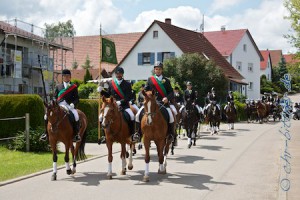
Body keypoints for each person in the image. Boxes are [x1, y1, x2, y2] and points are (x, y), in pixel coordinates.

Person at [135, 61, 176, 142]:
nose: (158, 70)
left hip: (163, 103)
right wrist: (147, 96)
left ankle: (171, 135)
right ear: (154, 70)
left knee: (171, 116)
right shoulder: (150, 79)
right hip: (151, 103)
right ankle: (138, 134)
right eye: (156, 69)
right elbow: (145, 91)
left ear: (162, 70)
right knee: (137, 115)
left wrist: (167, 98)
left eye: (159, 69)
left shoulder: (166, 80)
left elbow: (171, 92)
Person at [40, 69, 81, 142]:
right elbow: (54, 97)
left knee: (76, 115)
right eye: (64, 76)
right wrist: (52, 102)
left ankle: (76, 134)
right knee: (46, 116)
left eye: (68, 76)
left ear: (70, 77)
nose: (66, 77)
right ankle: (45, 133)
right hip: (58, 105)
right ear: (62, 77)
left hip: (69, 105)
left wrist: (73, 104)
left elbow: (77, 98)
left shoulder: (74, 87)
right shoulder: (58, 86)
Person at [98, 67, 137, 142]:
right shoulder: (111, 83)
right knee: (100, 117)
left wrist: (120, 102)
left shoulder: (127, 84)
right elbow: (108, 94)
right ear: (115, 74)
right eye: (117, 73)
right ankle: (104, 136)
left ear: (122, 74)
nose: (118, 75)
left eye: (120, 73)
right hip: (112, 106)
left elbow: (128, 97)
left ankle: (132, 135)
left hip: (124, 105)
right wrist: (101, 91)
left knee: (132, 116)